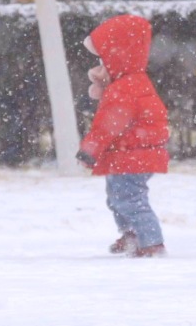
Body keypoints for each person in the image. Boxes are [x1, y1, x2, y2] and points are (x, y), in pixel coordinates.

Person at [77, 14, 170, 258]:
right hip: (129, 155)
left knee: (129, 199)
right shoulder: (129, 83)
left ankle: (151, 242)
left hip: (133, 156)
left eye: (102, 60)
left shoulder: (124, 89)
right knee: (118, 198)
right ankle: (132, 234)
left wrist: (89, 151)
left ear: (117, 57)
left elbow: (107, 127)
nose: (98, 68)